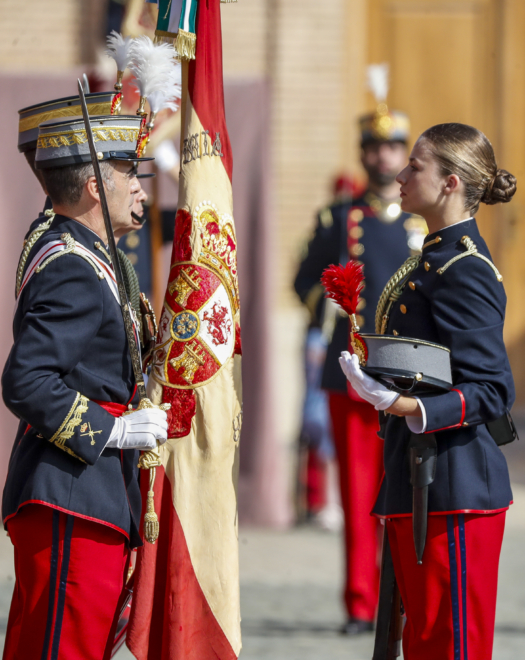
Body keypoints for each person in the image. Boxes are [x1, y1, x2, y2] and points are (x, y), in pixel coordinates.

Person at [340, 122, 516, 659]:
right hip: (419, 478)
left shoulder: (465, 270)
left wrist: (403, 405)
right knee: (421, 645)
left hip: (454, 485)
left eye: (416, 165)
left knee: (450, 646)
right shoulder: (432, 261)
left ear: (451, 183)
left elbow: (493, 389)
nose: (401, 172)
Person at [1, 113, 168, 660]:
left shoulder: (88, 253)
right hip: (73, 493)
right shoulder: (74, 265)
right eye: (130, 174)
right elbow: (25, 379)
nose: (141, 188)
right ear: (97, 185)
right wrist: (114, 430)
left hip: (84, 491)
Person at [294, 106, 426, 633]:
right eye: (373, 147)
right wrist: (330, 312)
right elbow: (302, 280)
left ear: (405, 155)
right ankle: (360, 602)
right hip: (350, 374)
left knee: (409, 495)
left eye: (393, 146)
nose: (383, 155)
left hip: (409, 380)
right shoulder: (339, 218)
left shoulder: (422, 226)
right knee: (356, 494)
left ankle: (406, 600)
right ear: (363, 153)